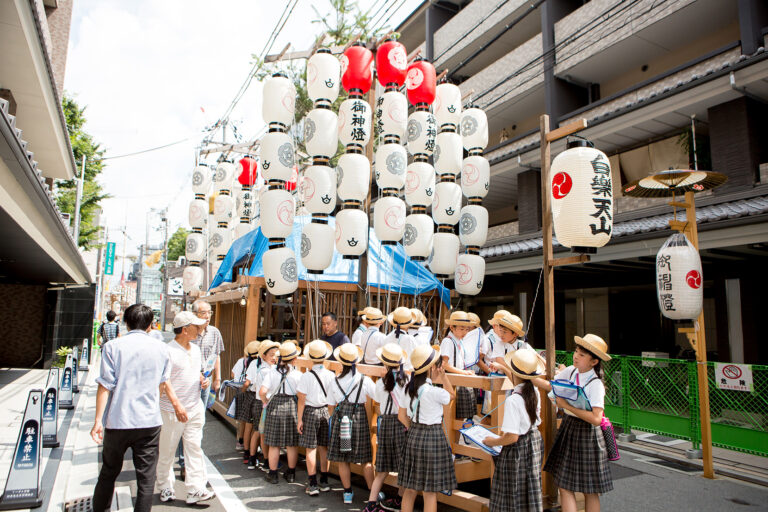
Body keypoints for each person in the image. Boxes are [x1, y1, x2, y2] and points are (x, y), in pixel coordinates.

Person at [91, 304, 171, 512]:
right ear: (150, 324)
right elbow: (162, 385)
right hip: (149, 421)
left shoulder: (113, 347)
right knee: (146, 478)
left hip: (118, 419)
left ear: (125, 322)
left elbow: (105, 386)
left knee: (109, 472)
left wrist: (98, 420)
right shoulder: (162, 349)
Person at [532, 334, 614, 512]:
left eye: (582, 355)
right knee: (566, 485)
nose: (576, 356)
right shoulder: (571, 371)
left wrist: (566, 405)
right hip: (572, 428)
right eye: (576, 351)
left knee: (589, 490)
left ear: (594, 362)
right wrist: (526, 375)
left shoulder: (595, 384)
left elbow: (596, 419)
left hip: (588, 433)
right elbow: (552, 386)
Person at [155, 312, 215, 505]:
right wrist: (176, 404)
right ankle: (165, 486)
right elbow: (165, 381)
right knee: (167, 450)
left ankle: (196, 489)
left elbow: (195, 372)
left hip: (194, 405)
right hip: (172, 409)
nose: (200, 330)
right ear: (185, 329)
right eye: (196, 327)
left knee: (194, 447)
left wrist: (202, 380)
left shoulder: (196, 350)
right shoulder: (167, 350)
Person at [484, 348, 544, 512]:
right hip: (534, 440)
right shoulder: (534, 391)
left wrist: (492, 441)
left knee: (511, 492)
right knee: (530, 486)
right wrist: (504, 368)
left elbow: (511, 437)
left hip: (517, 448)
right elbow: (518, 381)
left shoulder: (513, 400)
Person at [398, 344, 456, 512]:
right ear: (432, 368)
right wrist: (444, 378)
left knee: (410, 488)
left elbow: (402, 416)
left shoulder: (408, 388)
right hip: (433, 437)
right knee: (430, 492)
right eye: (438, 366)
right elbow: (452, 396)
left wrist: (414, 429)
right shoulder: (434, 391)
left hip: (413, 435)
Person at [328, 343, 375, 505]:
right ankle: (372, 494)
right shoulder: (364, 379)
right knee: (365, 459)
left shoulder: (334, 381)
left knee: (343, 459)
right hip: (358, 416)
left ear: (341, 362)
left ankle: (347, 492)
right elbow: (377, 396)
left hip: (340, 417)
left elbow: (331, 404)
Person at [364, 343, 409, 512]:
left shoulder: (381, 381)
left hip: (385, 423)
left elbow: (376, 397)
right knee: (404, 467)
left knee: (381, 468)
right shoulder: (406, 380)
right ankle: (399, 500)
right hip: (401, 422)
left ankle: (371, 504)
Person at [260, 342, 302, 484]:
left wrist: (266, 401)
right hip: (291, 405)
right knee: (291, 443)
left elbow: (262, 392)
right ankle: (291, 473)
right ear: (294, 359)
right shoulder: (297, 374)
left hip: (274, 405)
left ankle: (273, 474)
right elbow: (301, 395)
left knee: (274, 443)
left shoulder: (272, 372)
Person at [296, 340, 335, 496]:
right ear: (325, 357)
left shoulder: (306, 376)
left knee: (310, 449)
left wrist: (299, 419)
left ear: (310, 358)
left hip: (310, 412)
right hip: (326, 411)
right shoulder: (331, 375)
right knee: (324, 448)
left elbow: (301, 400)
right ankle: (324, 481)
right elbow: (333, 399)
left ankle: (312, 483)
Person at [244, 340, 279, 470]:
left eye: (276, 355)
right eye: (271, 355)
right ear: (263, 356)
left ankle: (252, 458)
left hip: (258, 402)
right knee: (261, 432)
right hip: (262, 403)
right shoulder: (266, 371)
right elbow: (264, 391)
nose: (274, 358)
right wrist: (266, 401)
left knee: (258, 431)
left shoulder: (263, 368)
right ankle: (264, 460)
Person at [439, 311, 476, 420]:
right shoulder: (448, 341)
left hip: (459, 378)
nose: (465, 332)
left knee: (461, 418)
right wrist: (464, 372)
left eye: (467, 329)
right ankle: (451, 438)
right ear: (452, 327)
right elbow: (444, 364)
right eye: (461, 329)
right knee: (453, 417)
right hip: (452, 380)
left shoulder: (459, 341)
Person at [234, 341, 260, 454]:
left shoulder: (242, 361)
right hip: (254, 394)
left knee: (243, 420)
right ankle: (250, 446)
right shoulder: (257, 364)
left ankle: (241, 442)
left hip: (243, 392)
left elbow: (233, 374)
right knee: (252, 423)